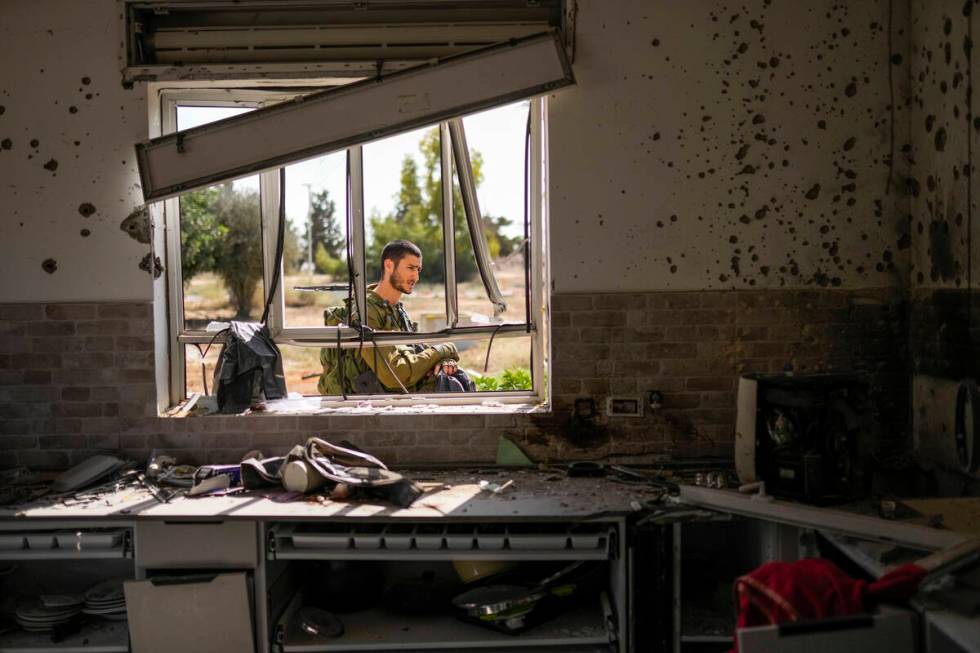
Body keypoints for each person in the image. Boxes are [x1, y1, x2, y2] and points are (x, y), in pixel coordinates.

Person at [317, 240, 473, 395]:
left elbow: (416, 351)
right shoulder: (366, 311)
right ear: (389, 265)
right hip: (371, 405)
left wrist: (443, 360)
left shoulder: (396, 310)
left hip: (397, 397)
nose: (416, 277)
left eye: (418, 269)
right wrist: (444, 350)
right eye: (410, 268)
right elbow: (397, 373)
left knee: (457, 378)